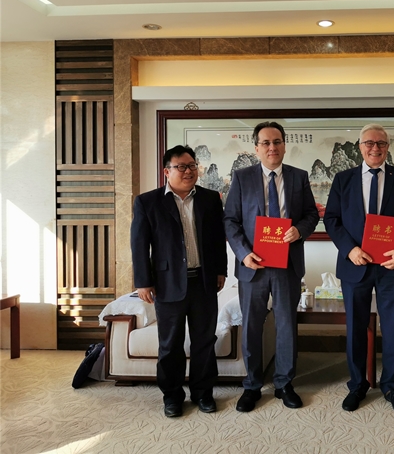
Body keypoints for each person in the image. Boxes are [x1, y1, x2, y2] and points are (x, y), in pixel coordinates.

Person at [224, 121, 319, 412]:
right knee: (252, 326)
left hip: (287, 263)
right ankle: (252, 385)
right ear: (256, 148)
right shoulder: (242, 177)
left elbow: (311, 214)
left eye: (277, 142)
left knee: (286, 325)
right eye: (265, 143)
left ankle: (284, 383)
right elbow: (230, 220)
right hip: (253, 264)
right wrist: (243, 253)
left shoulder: (299, 177)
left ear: (284, 145)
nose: (272, 147)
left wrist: (299, 231)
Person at [324, 123, 394, 414]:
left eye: (381, 143)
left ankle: (391, 385)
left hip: (391, 265)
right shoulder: (343, 179)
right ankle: (357, 385)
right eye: (369, 143)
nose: (375, 148)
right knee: (355, 328)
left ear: (387, 147)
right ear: (360, 146)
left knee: (391, 326)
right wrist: (350, 249)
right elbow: (332, 219)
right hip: (356, 264)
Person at [131, 145, 227, 418]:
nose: (188, 171)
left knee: (204, 341)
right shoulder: (148, 202)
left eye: (192, 166)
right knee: (170, 344)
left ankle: (203, 393)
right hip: (167, 283)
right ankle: (172, 396)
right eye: (181, 167)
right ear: (166, 171)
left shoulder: (210, 198)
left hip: (203, 282)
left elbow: (218, 239)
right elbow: (139, 244)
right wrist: (143, 282)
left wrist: (220, 271)